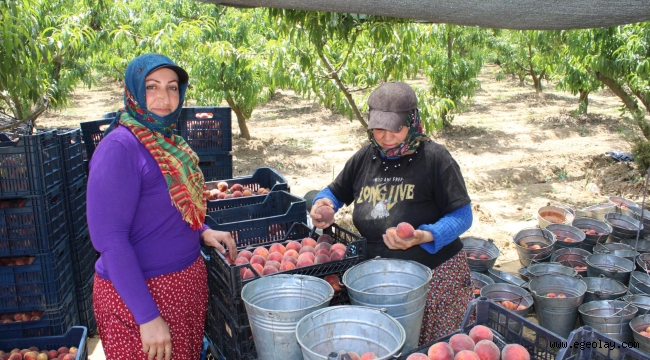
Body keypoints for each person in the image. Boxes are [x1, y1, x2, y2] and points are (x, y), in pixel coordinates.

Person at [87, 53, 237, 360]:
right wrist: (147, 317)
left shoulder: (168, 142)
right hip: (140, 298)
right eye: (152, 87)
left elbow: (167, 209)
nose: (164, 98)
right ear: (133, 92)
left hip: (182, 291)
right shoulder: (119, 147)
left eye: (172, 88)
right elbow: (110, 240)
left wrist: (202, 231)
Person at [310, 81, 474, 345]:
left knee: (434, 349)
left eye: (394, 128)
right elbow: (334, 192)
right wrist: (323, 205)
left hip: (435, 279)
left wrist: (424, 235)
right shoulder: (365, 158)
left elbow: (463, 215)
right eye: (378, 128)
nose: (385, 137)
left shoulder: (435, 159)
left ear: (412, 120)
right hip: (380, 281)